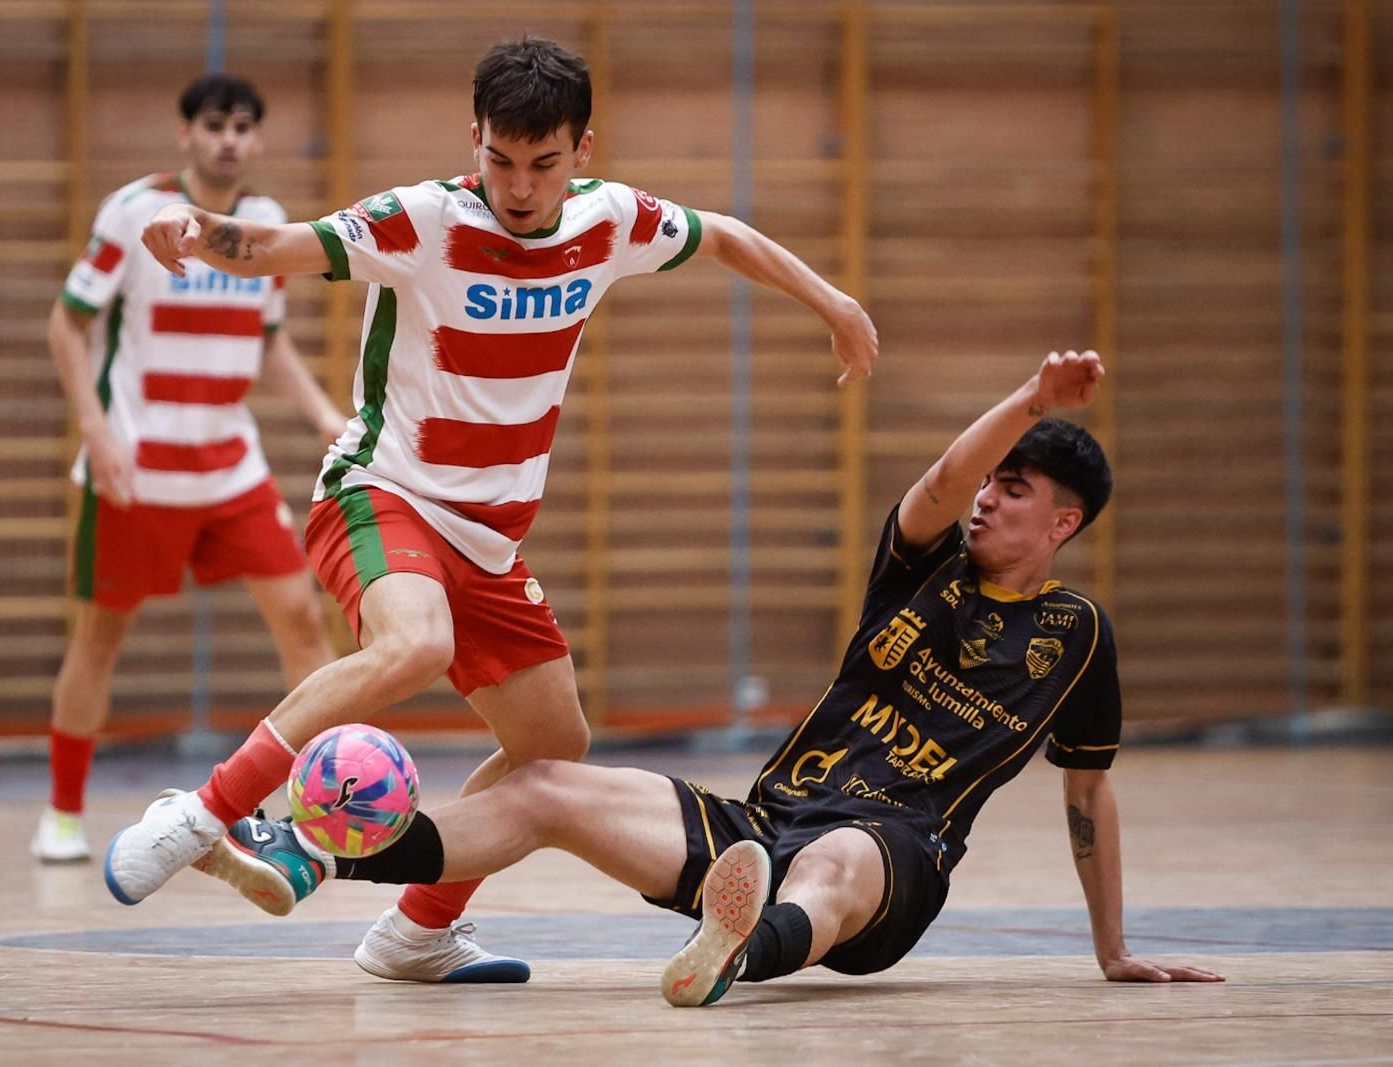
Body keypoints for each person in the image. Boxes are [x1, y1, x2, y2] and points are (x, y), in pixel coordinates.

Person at [104, 36, 879, 984]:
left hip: (488, 540)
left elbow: (722, 234)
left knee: (555, 746)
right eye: (499, 160)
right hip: (380, 494)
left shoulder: (611, 223)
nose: (519, 185)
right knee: (414, 646)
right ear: (473, 139)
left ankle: (417, 931)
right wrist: (200, 229)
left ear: (581, 151)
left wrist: (832, 298)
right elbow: (277, 246)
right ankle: (203, 815)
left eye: (543, 164)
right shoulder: (420, 221)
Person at [193, 349, 1225, 1003]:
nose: (986, 500)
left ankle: (743, 949)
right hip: (761, 823)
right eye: (991, 481)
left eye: (1016, 490)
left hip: (893, 856)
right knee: (542, 781)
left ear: (1063, 523)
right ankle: (314, 857)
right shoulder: (922, 564)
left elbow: (1086, 787)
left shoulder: (1076, 634)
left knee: (841, 864)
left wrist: (1113, 948)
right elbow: (935, 481)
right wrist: (1028, 399)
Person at [32, 74, 347, 864]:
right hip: (137, 465)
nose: (229, 139)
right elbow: (67, 327)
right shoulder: (133, 211)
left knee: (303, 617)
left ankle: (327, 810)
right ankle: (63, 814)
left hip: (230, 464)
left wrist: (322, 415)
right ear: (186, 135)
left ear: (259, 140)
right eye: (214, 125)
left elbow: (267, 340)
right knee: (100, 635)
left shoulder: (268, 225)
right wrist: (96, 429)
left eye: (244, 126)